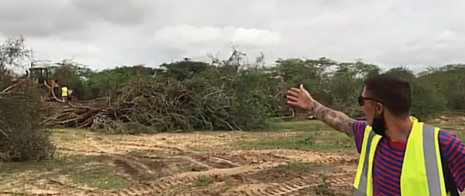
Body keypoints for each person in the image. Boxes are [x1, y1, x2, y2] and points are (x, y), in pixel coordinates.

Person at [286, 74, 465, 195]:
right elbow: (342, 122)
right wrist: (312, 105)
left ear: (378, 108)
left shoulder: (441, 143)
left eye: (362, 101)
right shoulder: (371, 136)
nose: (361, 106)